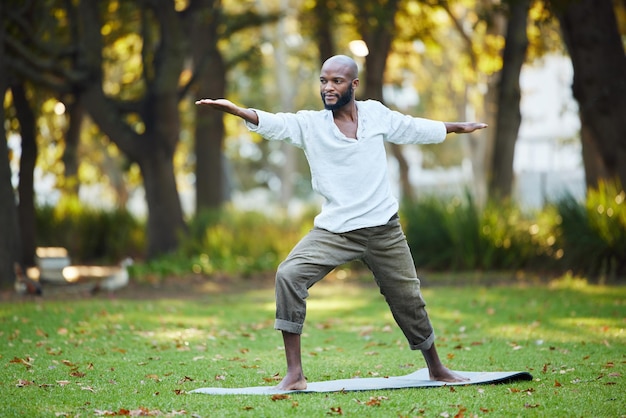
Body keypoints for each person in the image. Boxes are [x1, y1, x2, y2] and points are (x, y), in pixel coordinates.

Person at [196, 54, 487, 391]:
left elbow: (412, 127)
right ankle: (294, 375)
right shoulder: (311, 124)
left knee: (408, 299)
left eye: (336, 81)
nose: (328, 87)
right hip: (336, 230)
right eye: (323, 81)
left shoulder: (375, 114)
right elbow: (277, 123)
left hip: (383, 229)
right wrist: (237, 110)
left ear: (353, 84)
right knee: (289, 275)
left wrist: (457, 127)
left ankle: (436, 368)